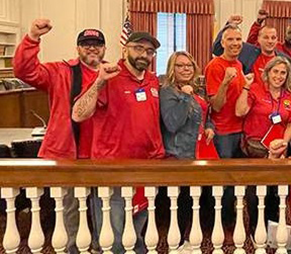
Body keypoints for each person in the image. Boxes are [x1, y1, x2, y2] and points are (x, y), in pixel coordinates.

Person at [13, 18, 106, 253]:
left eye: (97, 44)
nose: (92, 48)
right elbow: (25, 70)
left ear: (104, 48)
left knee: (103, 210)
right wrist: (32, 37)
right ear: (78, 48)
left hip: (103, 157)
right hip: (68, 156)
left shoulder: (112, 73)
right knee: (71, 211)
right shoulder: (60, 71)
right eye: (86, 44)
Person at [72, 31, 164, 253]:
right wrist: (99, 83)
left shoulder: (152, 79)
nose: (144, 54)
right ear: (125, 49)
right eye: (138, 48)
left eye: (149, 51)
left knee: (138, 229)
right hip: (113, 169)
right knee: (113, 238)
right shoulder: (109, 75)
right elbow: (78, 114)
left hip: (148, 167)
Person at [159, 51, 217, 249]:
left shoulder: (196, 89)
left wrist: (210, 127)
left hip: (200, 151)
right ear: (172, 69)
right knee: (182, 202)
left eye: (189, 66)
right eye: (180, 66)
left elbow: (205, 114)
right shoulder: (168, 91)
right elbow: (172, 123)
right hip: (178, 154)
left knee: (201, 198)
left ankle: (196, 239)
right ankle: (178, 242)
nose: (186, 69)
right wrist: (184, 96)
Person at [236, 57, 291, 158]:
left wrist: (283, 143)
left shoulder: (289, 96)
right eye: (275, 71)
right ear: (268, 72)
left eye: (283, 73)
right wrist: (246, 86)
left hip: (278, 146)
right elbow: (239, 112)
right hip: (255, 146)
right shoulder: (255, 89)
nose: (278, 76)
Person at [205, 24, 247, 159]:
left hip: (240, 129)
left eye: (238, 39)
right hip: (223, 132)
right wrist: (225, 82)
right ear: (222, 43)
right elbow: (216, 106)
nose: (235, 43)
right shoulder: (214, 66)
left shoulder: (239, 64)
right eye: (230, 39)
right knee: (225, 176)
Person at [212, 14, 289, 75]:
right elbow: (217, 49)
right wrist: (229, 25)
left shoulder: (284, 59)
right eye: (266, 37)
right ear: (258, 39)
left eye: (273, 38)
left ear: (277, 39)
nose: (270, 41)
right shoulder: (247, 51)